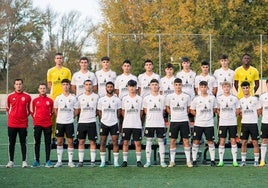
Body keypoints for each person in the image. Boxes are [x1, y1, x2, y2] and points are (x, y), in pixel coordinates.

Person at [165, 78, 193, 168]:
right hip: (174, 121)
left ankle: (188, 161)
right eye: (176, 85)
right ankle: (172, 161)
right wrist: (172, 114)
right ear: (174, 85)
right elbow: (167, 108)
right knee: (173, 140)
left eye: (179, 85)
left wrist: (183, 114)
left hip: (184, 121)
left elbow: (189, 108)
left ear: (182, 85)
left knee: (186, 140)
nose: (178, 87)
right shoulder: (169, 96)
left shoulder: (186, 96)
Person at [190, 81, 217, 167]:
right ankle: (194, 160)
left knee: (210, 141)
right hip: (198, 124)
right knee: (196, 141)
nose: (203, 88)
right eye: (201, 87)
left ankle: (212, 160)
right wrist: (197, 115)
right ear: (199, 88)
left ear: (207, 88)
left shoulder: (212, 98)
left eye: (205, 87)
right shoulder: (196, 99)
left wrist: (209, 115)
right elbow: (191, 110)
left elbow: (215, 109)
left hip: (209, 124)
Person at [6, 79, 31, 168]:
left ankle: (24, 161)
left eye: (20, 84)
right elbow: (8, 109)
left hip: (23, 124)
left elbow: (29, 110)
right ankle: (11, 161)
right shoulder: (10, 96)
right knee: (11, 143)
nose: (18, 85)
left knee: (23, 143)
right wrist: (13, 117)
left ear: (22, 85)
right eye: (17, 84)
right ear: (14, 85)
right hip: (12, 124)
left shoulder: (27, 97)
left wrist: (23, 117)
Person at [47, 52, 72, 144]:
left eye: (60, 58)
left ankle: (65, 136)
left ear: (63, 59)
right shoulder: (50, 71)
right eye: (57, 58)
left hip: (64, 97)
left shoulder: (67, 71)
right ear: (55, 60)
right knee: (53, 117)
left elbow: (68, 83)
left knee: (65, 116)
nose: (59, 60)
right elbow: (49, 84)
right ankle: (53, 136)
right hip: (54, 97)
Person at [53, 79, 79, 168]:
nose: (65, 86)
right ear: (61, 86)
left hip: (69, 123)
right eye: (63, 84)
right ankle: (59, 161)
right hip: (60, 123)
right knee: (59, 141)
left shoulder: (73, 98)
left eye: (67, 84)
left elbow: (76, 110)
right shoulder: (58, 98)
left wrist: (72, 117)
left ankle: (70, 162)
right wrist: (59, 117)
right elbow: (55, 110)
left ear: (69, 86)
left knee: (70, 141)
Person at [234, 53, 259, 140]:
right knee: (240, 116)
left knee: (252, 115)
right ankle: (239, 135)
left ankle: (253, 137)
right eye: (245, 58)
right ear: (242, 59)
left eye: (248, 58)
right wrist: (240, 92)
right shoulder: (237, 70)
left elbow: (257, 84)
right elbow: (236, 83)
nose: (246, 60)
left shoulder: (254, 70)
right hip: (240, 97)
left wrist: (252, 92)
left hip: (251, 96)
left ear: (250, 60)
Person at [143, 79, 167, 168]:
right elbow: (145, 110)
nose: (154, 86)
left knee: (161, 142)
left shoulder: (163, 98)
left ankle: (162, 161)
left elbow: (164, 111)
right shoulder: (146, 98)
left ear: (158, 86)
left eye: (156, 84)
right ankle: (148, 161)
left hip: (160, 123)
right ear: (150, 86)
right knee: (149, 142)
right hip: (149, 123)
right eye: (152, 84)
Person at [97, 81, 122, 167]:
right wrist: (103, 119)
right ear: (106, 88)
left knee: (115, 142)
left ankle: (116, 162)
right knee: (103, 142)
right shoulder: (101, 99)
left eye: (111, 87)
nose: (109, 88)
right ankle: (103, 162)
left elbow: (119, 112)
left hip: (114, 123)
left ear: (113, 88)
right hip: (104, 123)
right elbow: (99, 112)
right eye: (108, 87)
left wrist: (114, 119)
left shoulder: (117, 100)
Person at [216, 81, 240, 167]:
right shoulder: (219, 98)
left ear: (230, 87)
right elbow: (217, 109)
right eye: (224, 87)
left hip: (232, 123)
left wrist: (233, 116)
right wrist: (221, 115)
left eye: (228, 87)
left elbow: (238, 110)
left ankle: (234, 161)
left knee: (233, 140)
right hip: (223, 123)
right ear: (222, 88)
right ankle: (221, 161)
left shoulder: (234, 98)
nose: (226, 88)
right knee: (222, 141)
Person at [76, 80, 99, 167]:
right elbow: (78, 110)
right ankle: (80, 161)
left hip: (92, 122)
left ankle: (92, 161)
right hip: (82, 122)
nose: (88, 86)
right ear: (84, 86)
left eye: (90, 84)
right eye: (86, 84)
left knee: (92, 142)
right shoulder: (80, 97)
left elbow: (98, 110)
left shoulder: (96, 97)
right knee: (81, 141)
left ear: (92, 86)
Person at [120, 80, 143, 167]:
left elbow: (141, 112)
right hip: (127, 124)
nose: (132, 88)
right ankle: (125, 161)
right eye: (130, 86)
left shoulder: (140, 99)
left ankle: (138, 161)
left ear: (136, 87)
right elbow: (123, 111)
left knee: (138, 143)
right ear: (128, 87)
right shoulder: (124, 98)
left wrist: (136, 118)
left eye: (133, 86)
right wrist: (127, 118)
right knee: (125, 142)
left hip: (137, 124)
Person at [31, 83, 54, 168]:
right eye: (41, 88)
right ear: (38, 90)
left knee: (48, 143)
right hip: (37, 124)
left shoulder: (50, 101)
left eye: (44, 88)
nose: (42, 90)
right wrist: (37, 119)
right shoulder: (35, 101)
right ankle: (37, 160)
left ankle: (48, 161)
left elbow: (52, 112)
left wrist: (47, 118)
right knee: (37, 142)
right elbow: (32, 111)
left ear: (46, 90)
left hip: (48, 124)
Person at [239, 81, 261, 167]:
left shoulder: (255, 99)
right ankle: (243, 160)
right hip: (244, 124)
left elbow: (259, 111)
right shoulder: (240, 100)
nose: (245, 89)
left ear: (249, 88)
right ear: (242, 89)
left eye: (247, 87)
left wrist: (254, 118)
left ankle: (256, 160)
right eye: (243, 88)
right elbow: (239, 112)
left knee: (255, 142)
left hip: (253, 124)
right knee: (244, 142)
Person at [259, 79, 268, 167]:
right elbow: (260, 109)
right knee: (264, 140)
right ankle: (262, 160)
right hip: (265, 122)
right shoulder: (263, 96)